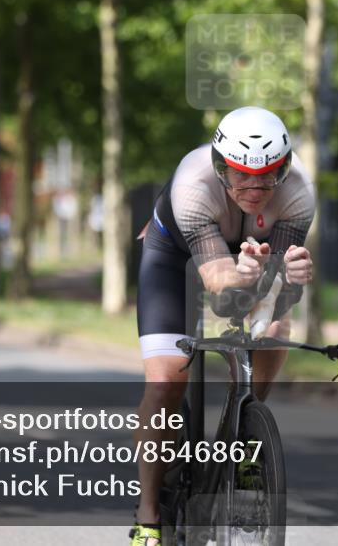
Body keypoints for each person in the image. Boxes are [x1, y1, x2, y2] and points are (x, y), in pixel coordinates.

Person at [129, 107, 315, 546]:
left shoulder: (300, 193)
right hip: (175, 257)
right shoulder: (193, 184)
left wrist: (286, 278)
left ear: (284, 167)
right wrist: (243, 273)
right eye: (241, 176)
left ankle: (246, 427)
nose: (256, 188)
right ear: (219, 167)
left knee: (273, 328)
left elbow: (273, 292)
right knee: (165, 383)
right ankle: (148, 514)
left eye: (269, 176)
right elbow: (217, 287)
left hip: (251, 256)